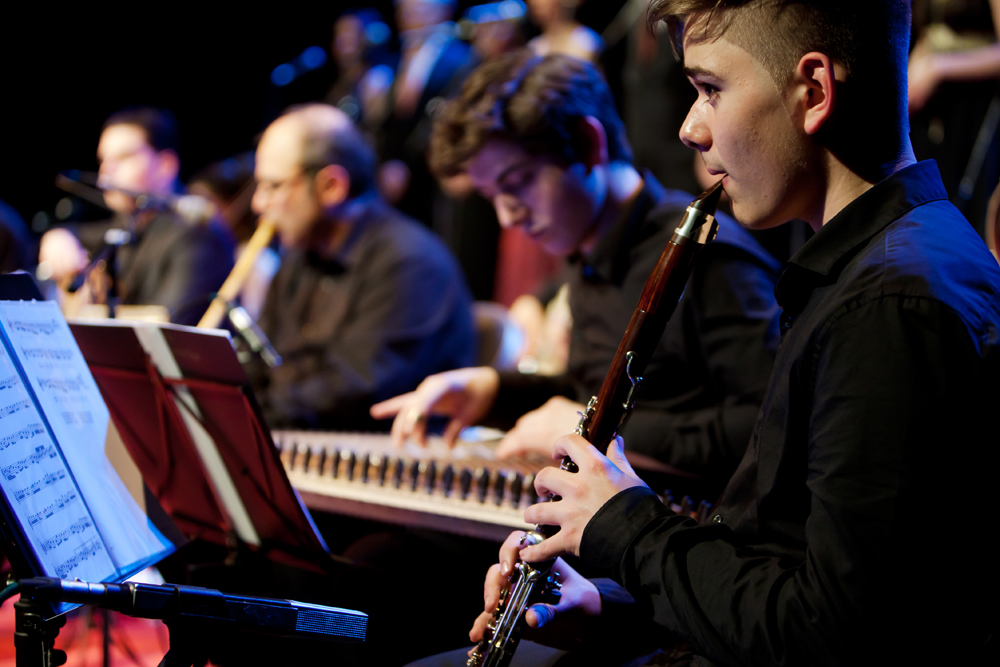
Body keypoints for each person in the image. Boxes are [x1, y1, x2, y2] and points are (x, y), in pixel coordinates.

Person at [425, 1, 1000, 665]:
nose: (690, 127)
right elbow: (772, 566)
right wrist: (607, 611)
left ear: (814, 91)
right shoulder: (867, 274)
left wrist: (626, 527)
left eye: (709, 89)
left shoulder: (892, 303)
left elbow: (833, 636)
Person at [372, 51, 782, 489]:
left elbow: (773, 424)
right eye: (492, 196)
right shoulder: (589, 249)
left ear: (588, 144)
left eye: (517, 184)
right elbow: (605, 395)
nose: (507, 217)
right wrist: (492, 392)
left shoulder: (709, 258)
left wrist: (585, 431)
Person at [247, 103, 476, 431]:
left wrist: (249, 410)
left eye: (273, 186)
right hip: (303, 439)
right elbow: (262, 362)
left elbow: (349, 393)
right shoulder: (300, 255)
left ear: (331, 186)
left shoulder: (409, 263)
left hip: (388, 452)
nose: (258, 203)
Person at [38, 107, 235, 325]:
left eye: (123, 157)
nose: (106, 171)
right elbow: (81, 234)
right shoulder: (125, 225)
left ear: (166, 165)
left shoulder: (199, 237)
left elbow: (166, 327)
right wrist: (58, 237)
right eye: (103, 160)